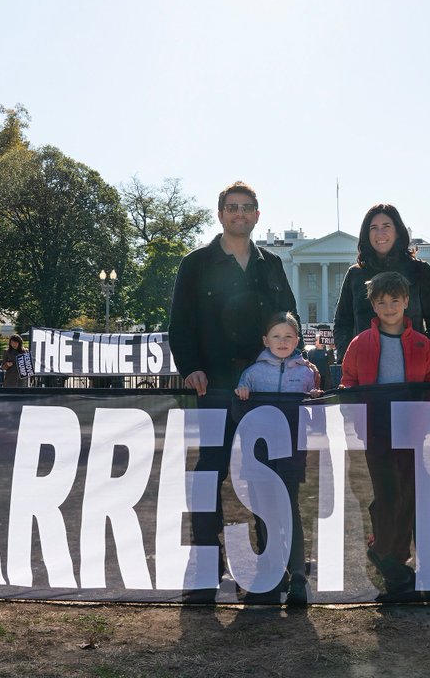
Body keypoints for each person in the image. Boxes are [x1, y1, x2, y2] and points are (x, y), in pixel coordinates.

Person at [167, 180, 297, 597]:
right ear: (220, 213)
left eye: (247, 208)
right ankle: (207, 567)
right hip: (215, 385)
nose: (239, 214)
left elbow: (288, 318)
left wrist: (291, 358)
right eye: (232, 207)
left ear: (257, 215)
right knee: (209, 474)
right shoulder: (196, 264)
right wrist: (191, 369)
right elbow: (180, 325)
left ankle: (268, 571)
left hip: (262, 387)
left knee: (264, 478)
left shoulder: (271, 264)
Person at [338, 271, 430, 598]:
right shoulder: (360, 344)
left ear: (406, 303)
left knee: (407, 496)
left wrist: (423, 416)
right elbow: (349, 380)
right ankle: (383, 550)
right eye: (381, 302)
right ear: (373, 305)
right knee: (386, 494)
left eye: (394, 301)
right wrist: (352, 407)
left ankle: (395, 561)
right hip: (376, 428)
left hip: (410, 428)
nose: (388, 307)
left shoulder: (421, 344)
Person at [234, 311, 322, 606]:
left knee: (289, 510)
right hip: (259, 455)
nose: (282, 342)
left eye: (288, 336)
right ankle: (271, 573)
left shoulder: (307, 371)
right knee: (263, 511)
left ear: (297, 340)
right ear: (265, 340)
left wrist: (315, 399)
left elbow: (315, 416)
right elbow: (239, 413)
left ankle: (297, 574)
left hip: (291, 453)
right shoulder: (253, 373)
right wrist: (242, 395)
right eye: (276, 336)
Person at [332, 203, 430, 360]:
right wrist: (348, 358)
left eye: (386, 226)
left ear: (398, 231)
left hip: (411, 370)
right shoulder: (355, 274)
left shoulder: (420, 271)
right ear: (366, 234)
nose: (380, 233)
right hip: (366, 368)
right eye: (373, 227)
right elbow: (342, 324)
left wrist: (420, 354)